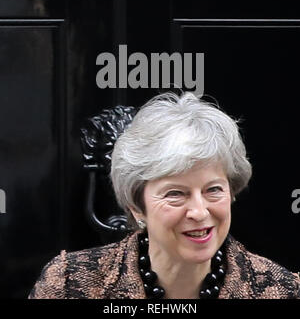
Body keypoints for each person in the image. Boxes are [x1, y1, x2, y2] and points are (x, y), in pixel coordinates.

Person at [28, 92, 300, 299]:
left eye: (213, 190)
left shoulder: (281, 289)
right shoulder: (69, 285)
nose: (199, 211)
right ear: (137, 206)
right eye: (176, 194)